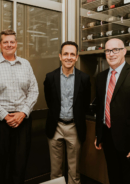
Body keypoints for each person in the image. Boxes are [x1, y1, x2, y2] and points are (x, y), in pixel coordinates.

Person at [0, 29, 39, 184]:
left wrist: (23, 113)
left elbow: (34, 90)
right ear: (0, 44)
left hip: (22, 121)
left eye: (12, 42)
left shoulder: (25, 64)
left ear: (16, 44)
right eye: (5, 42)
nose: (9, 45)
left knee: (19, 166)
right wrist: (5, 115)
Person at [94, 38, 130, 184]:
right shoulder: (100, 78)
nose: (111, 54)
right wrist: (99, 134)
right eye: (108, 50)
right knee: (114, 178)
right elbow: (101, 108)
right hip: (108, 140)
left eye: (116, 50)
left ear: (124, 51)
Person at [44, 41, 91, 184]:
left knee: (74, 171)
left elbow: (85, 103)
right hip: (55, 126)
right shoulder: (50, 77)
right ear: (60, 56)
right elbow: (49, 101)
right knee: (55, 171)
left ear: (76, 57)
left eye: (72, 54)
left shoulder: (84, 78)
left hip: (74, 127)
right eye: (65, 54)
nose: (68, 57)